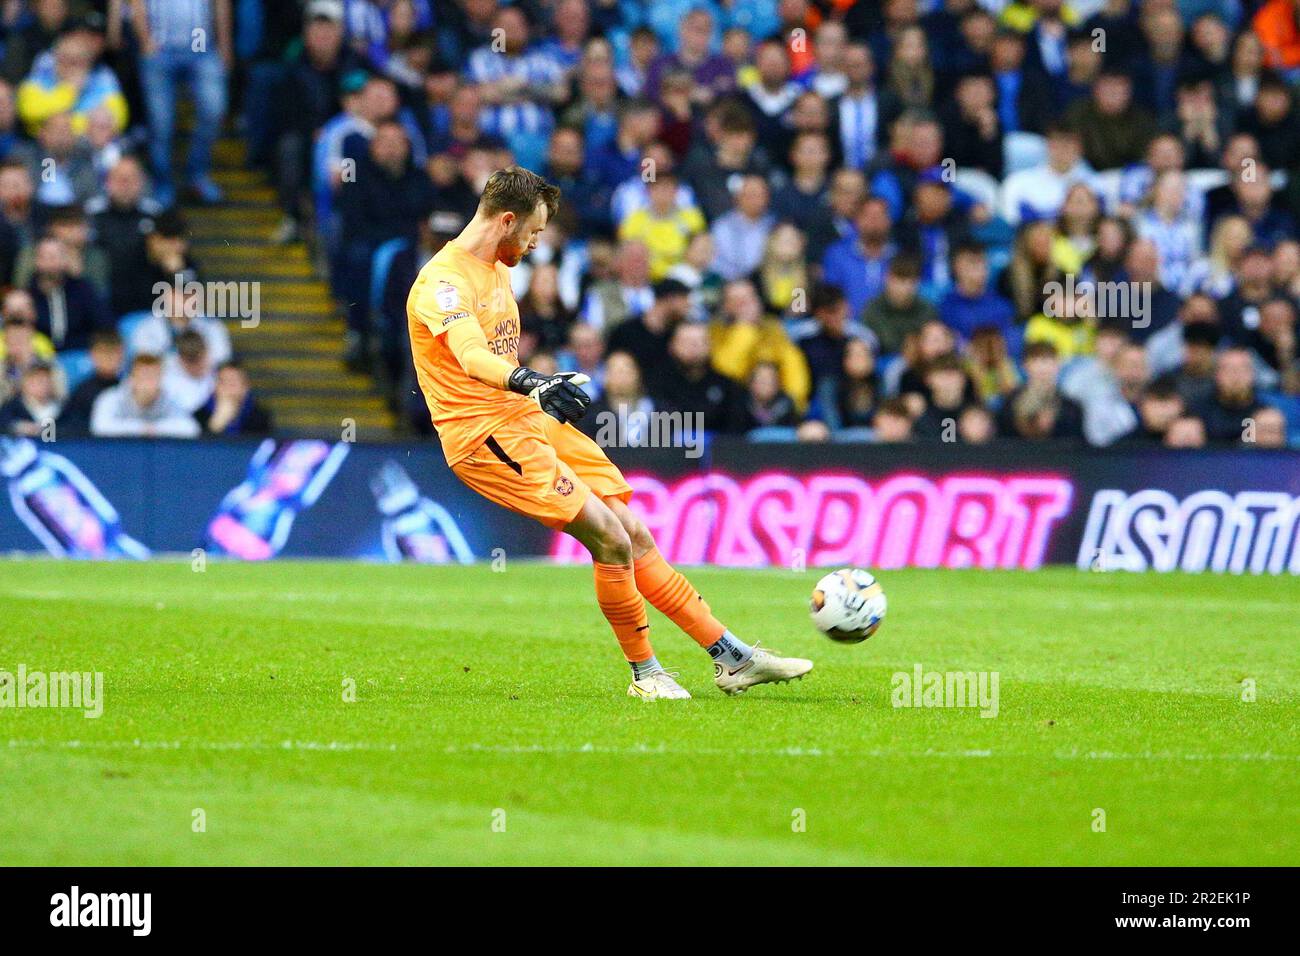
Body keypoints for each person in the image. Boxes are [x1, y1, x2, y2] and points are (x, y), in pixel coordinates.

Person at [406, 166, 812, 700]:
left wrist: (541, 387)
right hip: (486, 437)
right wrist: (532, 380)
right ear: (507, 221)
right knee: (610, 539)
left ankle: (732, 657)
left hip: (527, 421)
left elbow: (495, 352)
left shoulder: (498, 269)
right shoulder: (443, 282)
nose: (534, 244)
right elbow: (471, 354)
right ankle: (647, 676)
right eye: (532, 232)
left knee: (634, 532)